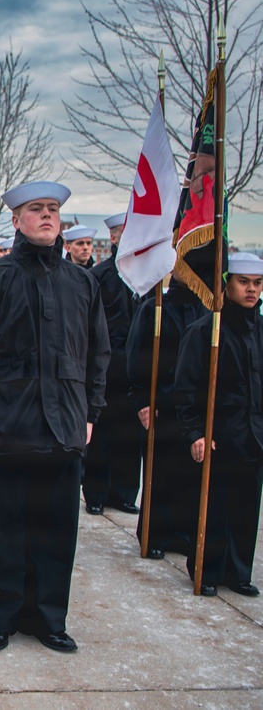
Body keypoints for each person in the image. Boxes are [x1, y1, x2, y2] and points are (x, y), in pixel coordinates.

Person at [0, 181, 110, 653]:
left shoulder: (81, 283)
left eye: (53, 209)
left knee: (56, 528)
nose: (46, 216)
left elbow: (98, 353)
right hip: (8, 424)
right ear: (16, 220)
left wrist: (91, 411)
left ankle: (48, 618)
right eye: (36, 209)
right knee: (5, 528)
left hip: (65, 426)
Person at [174, 253, 263, 597]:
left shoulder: (259, 330)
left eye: (257, 283)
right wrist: (195, 431)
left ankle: (238, 572)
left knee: (246, 509)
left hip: (253, 436)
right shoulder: (206, 330)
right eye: (244, 282)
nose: (251, 290)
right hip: (220, 436)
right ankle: (207, 569)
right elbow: (186, 385)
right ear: (227, 284)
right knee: (214, 507)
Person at [127, 274, 209, 559]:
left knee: (189, 474)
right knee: (159, 471)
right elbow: (136, 353)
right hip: (160, 402)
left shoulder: (207, 309)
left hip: (193, 407)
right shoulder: (155, 307)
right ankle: (154, 534)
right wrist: (141, 399)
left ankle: (183, 534)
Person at [83, 212, 141, 516]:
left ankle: (125, 492)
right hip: (105, 367)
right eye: (123, 232)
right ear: (114, 238)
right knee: (102, 434)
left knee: (130, 435)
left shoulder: (148, 275)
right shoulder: (99, 275)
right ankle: (96, 492)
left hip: (135, 370)